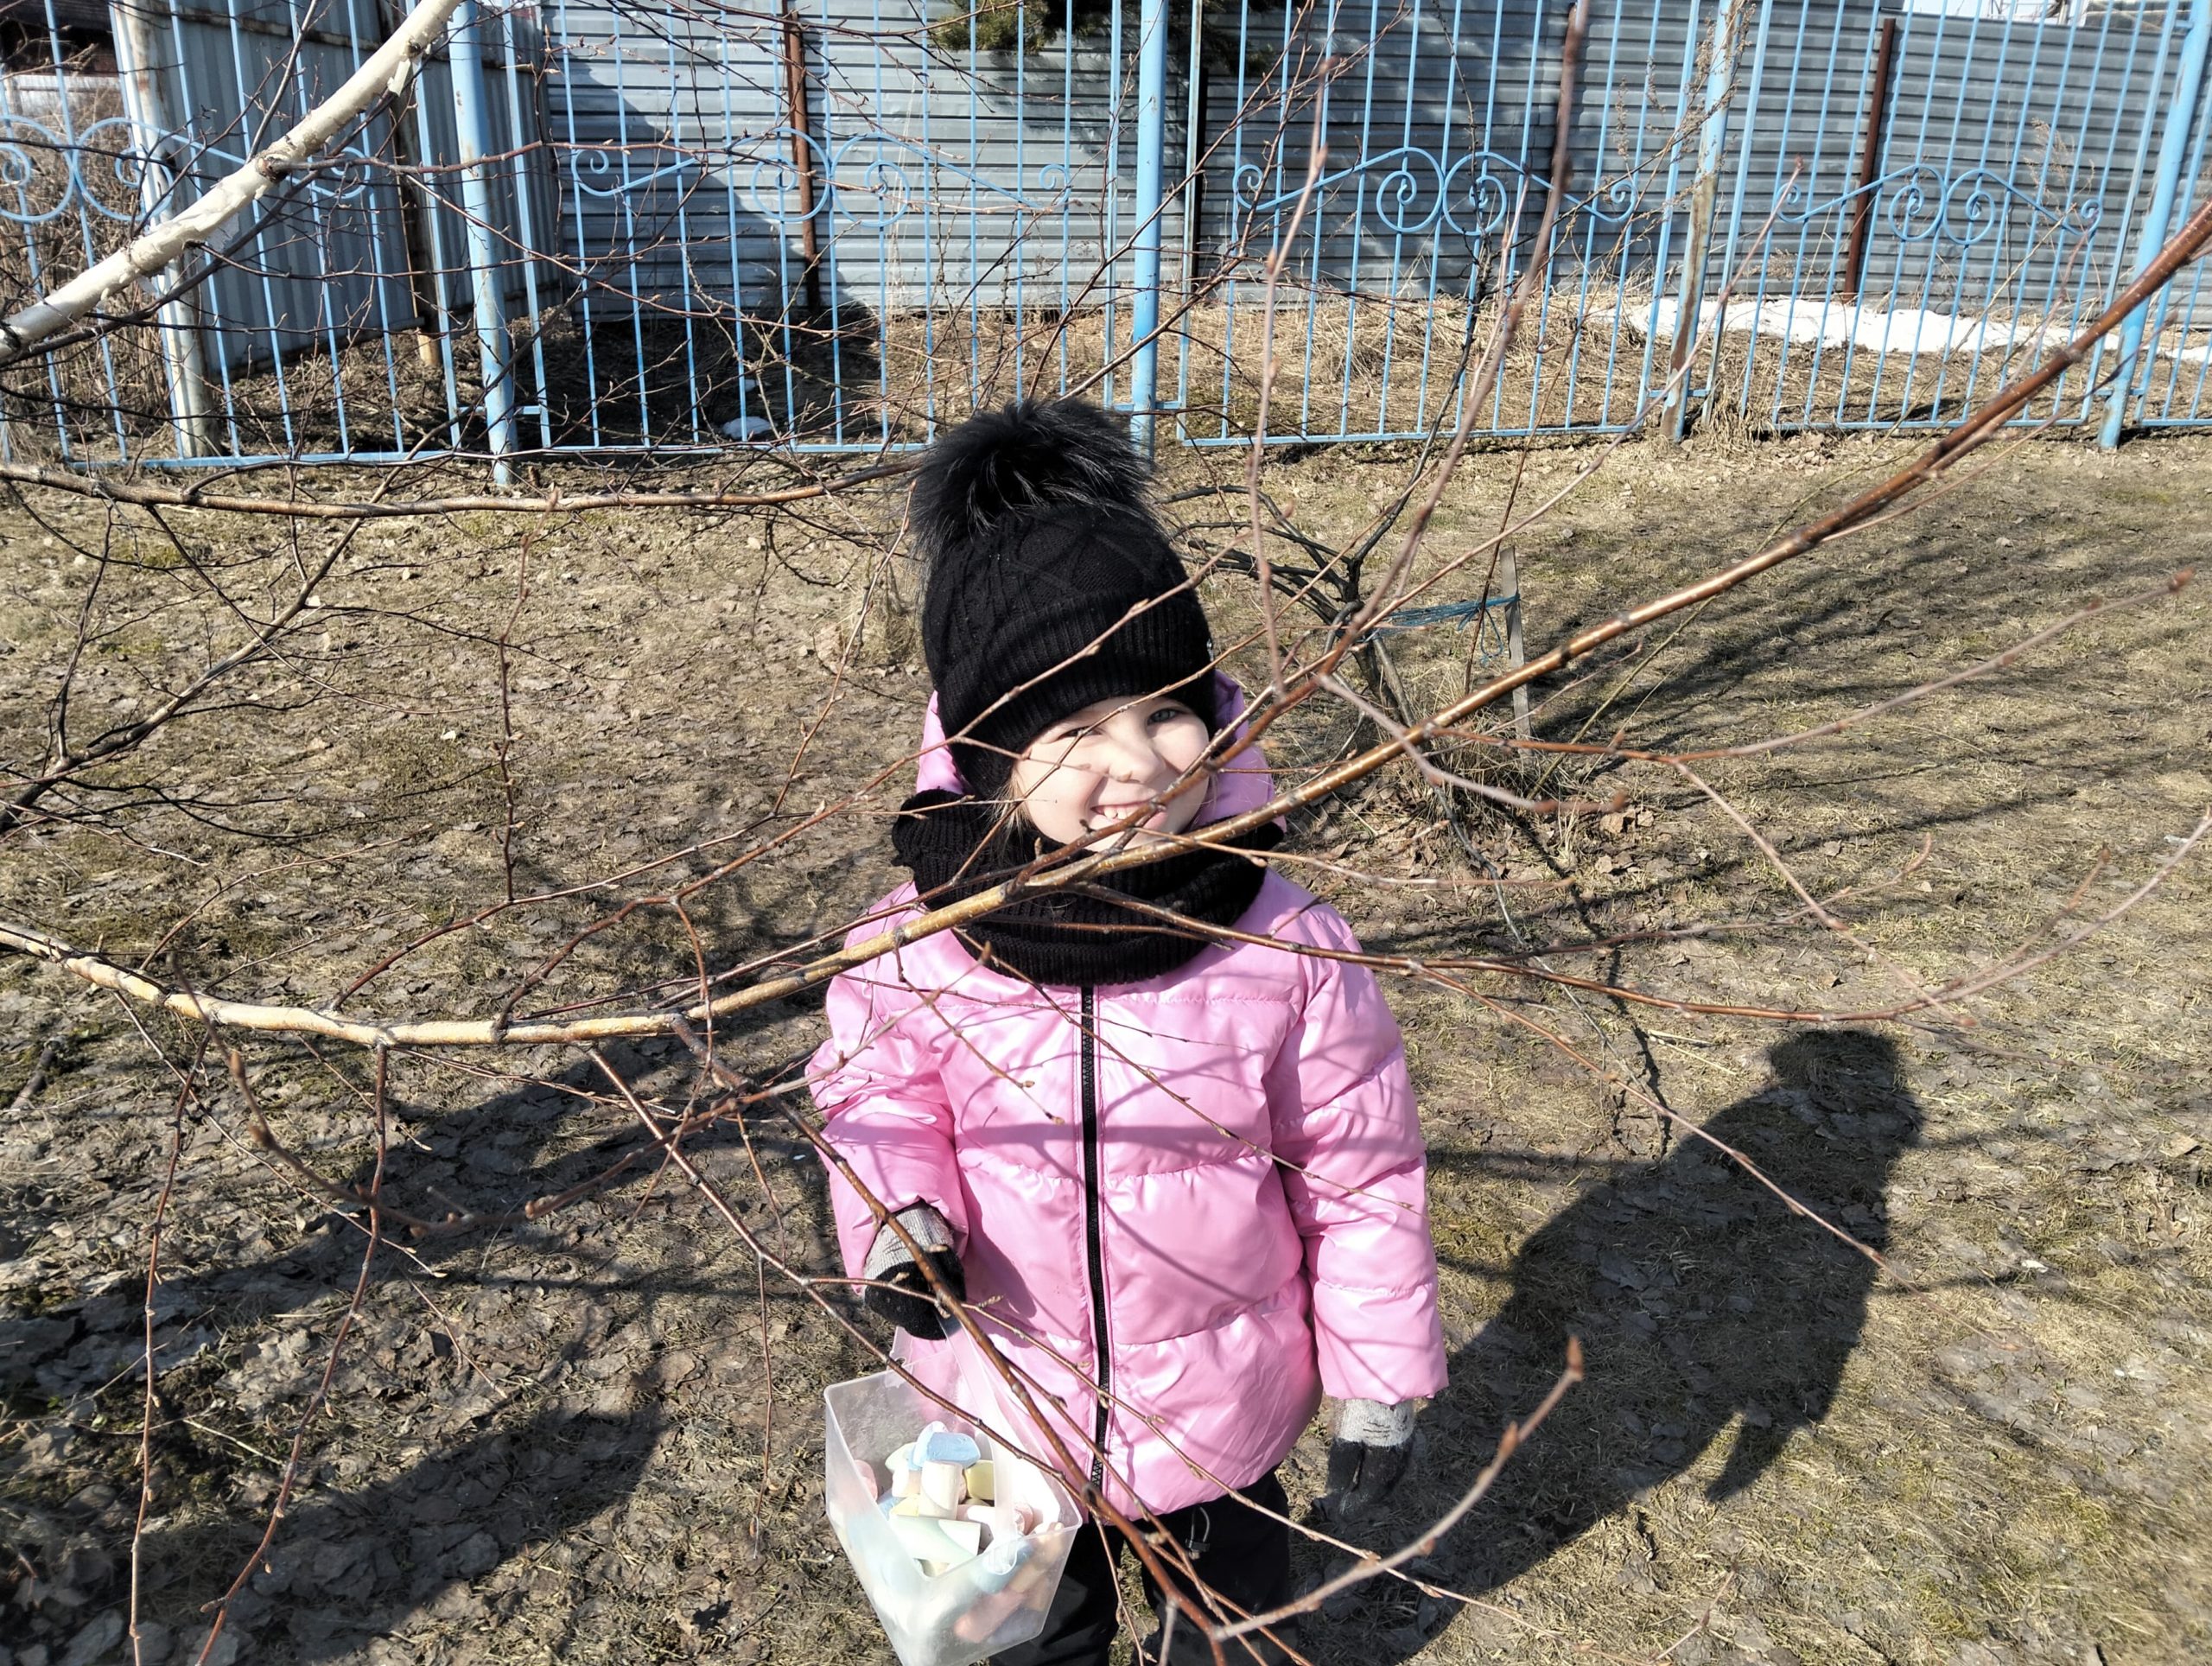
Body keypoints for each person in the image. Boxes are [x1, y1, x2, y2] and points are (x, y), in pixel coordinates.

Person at [809, 398, 1446, 1665]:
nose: (1142, 765)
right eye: (1073, 733)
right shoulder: (923, 941)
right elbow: (878, 1100)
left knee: (1235, 1635)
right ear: (991, 760)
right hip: (1004, 1398)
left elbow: (1360, 1172)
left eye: (1166, 711)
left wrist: (1381, 1372)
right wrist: (899, 1222)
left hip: (1217, 1409)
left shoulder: (1285, 942)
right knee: (1022, 1642)